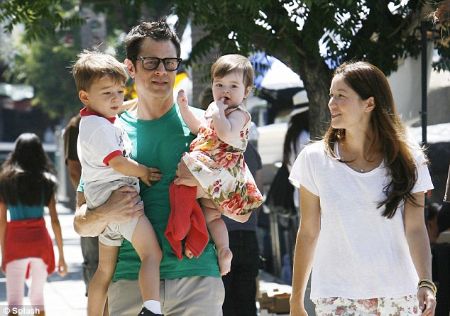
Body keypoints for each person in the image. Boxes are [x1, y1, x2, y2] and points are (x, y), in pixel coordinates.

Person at [73, 20, 226, 316]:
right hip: (131, 284)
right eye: (151, 62)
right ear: (130, 68)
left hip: (197, 280)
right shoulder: (109, 132)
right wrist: (105, 212)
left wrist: (206, 187)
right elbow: (82, 224)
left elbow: (241, 208)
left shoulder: (204, 127)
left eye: (170, 63)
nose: (161, 71)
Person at [289, 61, 436, 316]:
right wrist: (296, 300)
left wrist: (425, 282)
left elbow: (415, 228)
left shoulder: (409, 159)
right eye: (331, 95)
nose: (331, 104)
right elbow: (308, 232)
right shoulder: (314, 160)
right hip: (337, 297)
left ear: (369, 103)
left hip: (399, 294)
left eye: (341, 96)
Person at [72, 50, 163, 316]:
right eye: (107, 93)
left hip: (104, 203)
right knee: (151, 254)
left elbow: (114, 108)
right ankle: (152, 309)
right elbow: (119, 163)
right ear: (85, 96)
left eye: (120, 92)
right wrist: (144, 172)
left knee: (104, 270)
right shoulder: (100, 129)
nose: (116, 99)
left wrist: (130, 104)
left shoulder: (94, 120)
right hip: (121, 201)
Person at [167, 54, 263, 275]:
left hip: (219, 169)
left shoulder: (240, 115)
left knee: (183, 184)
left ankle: (187, 232)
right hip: (210, 168)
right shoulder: (214, 112)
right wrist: (184, 109)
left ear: (246, 91)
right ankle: (222, 249)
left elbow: (225, 132)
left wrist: (217, 112)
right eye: (219, 85)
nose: (225, 91)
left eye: (233, 86)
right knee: (212, 216)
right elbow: (199, 129)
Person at [0, 133, 68, 314]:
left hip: (15, 243)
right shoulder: (46, 181)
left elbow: (1, 221)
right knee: (37, 298)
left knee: (14, 301)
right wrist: (61, 255)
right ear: (40, 153)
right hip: (40, 243)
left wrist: (4, 253)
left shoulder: (5, 181)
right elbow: (55, 220)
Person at [62, 113, 100, 299]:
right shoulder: (76, 124)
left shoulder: (120, 116)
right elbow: (73, 168)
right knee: (93, 259)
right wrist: (85, 201)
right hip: (91, 204)